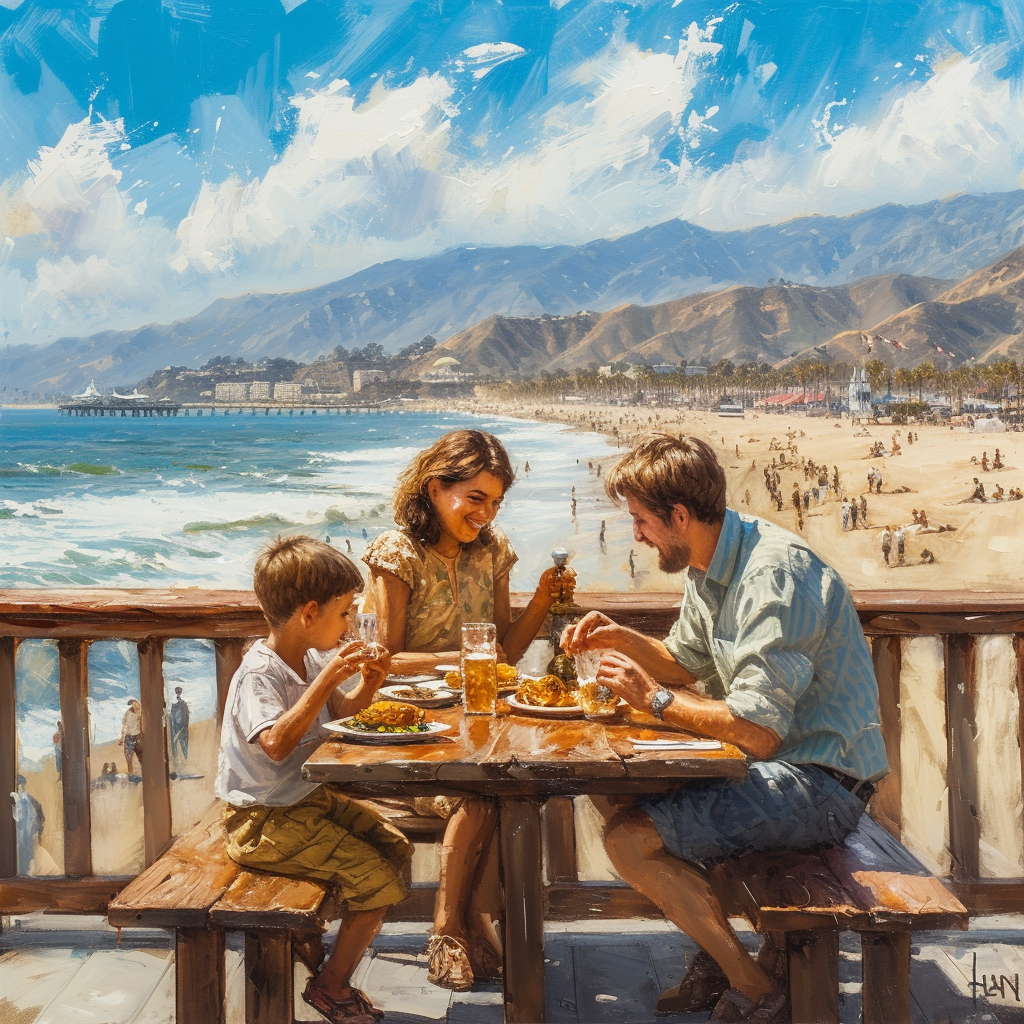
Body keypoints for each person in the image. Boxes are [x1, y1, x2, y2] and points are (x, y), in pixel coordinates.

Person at [561, 433, 888, 1024]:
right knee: (614, 791)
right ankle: (718, 955)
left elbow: (758, 731)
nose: (636, 533)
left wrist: (653, 699)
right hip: (777, 766)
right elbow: (686, 661)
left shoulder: (772, 577)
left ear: (679, 515)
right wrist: (617, 635)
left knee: (628, 842)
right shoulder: (712, 561)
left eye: (640, 520)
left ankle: (755, 986)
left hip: (823, 782)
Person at [363, 430, 572, 991]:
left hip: (479, 715)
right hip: (412, 724)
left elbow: (505, 652)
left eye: (496, 502)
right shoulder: (398, 553)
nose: (485, 514)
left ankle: (476, 924)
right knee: (479, 791)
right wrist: (462, 657)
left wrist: (542, 600)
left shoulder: (494, 552)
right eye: (474, 499)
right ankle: (451, 929)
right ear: (435, 488)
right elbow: (384, 659)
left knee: (502, 787)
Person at [216, 535, 408, 1024]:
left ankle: (315, 945)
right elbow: (277, 743)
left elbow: (341, 711)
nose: (349, 624)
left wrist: (368, 681)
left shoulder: (315, 657)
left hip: (307, 800)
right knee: (378, 879)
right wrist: (325, 680)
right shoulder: (259, 674)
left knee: (396, 848)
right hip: (262, 820)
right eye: (344, 613)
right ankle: (330, 984)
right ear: (309, 613)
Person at [121, 699, 142, 775]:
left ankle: (143, 772)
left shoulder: (140, 713)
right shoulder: (128, 713)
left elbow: (142, 723)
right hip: (129, 736)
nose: (136, 707)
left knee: (140, 755)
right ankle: (130, 771)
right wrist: (122, 737)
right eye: (133, 705)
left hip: (137, 735)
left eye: (136, 705)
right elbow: (124, 725)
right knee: (128, 754)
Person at [169, 687, 190, 764]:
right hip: (175, 727)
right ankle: (176, 762)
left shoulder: (183, 704)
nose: (178, 693)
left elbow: (186, 716)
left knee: (183, 744)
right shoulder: (174, 704)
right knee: (175, 745)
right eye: (176, 691)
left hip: (182, 727)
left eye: (179, 691)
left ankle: (185, 761)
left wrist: (184, 726)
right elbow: (171, 716)